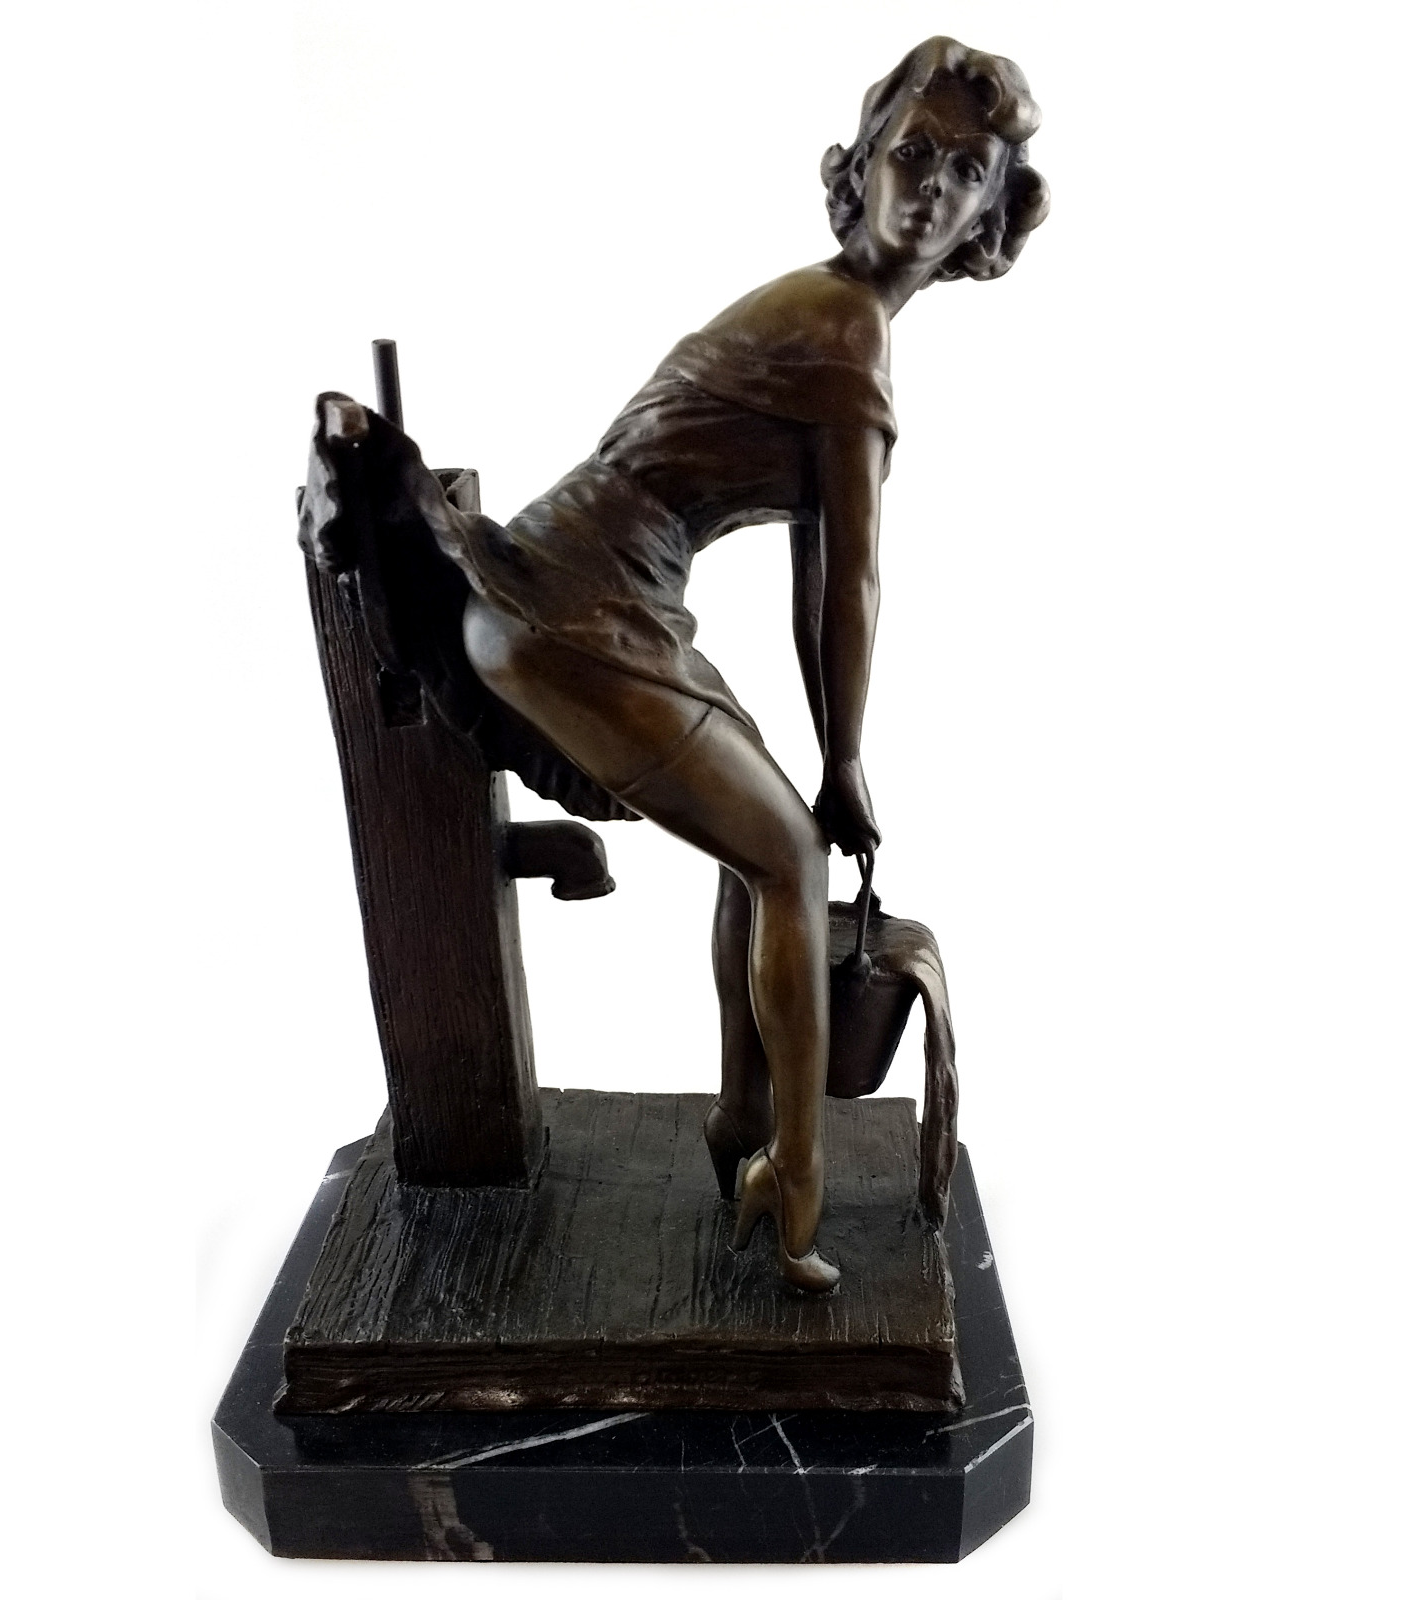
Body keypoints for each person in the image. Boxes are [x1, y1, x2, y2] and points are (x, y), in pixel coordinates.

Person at [313, 37, 1047, 1291]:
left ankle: (742, 1123)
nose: (933, 186)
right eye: (913, 153)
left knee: (760, 842)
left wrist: (837, 756)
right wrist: (844, 766)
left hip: (588, 596)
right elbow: (854, 582)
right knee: (787, 857)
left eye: (966, 170)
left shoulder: (831, 318)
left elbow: (820, 576)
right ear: (859, 169)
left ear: (990, 215)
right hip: (576, 604)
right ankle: (793, 1185)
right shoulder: (846, 334)